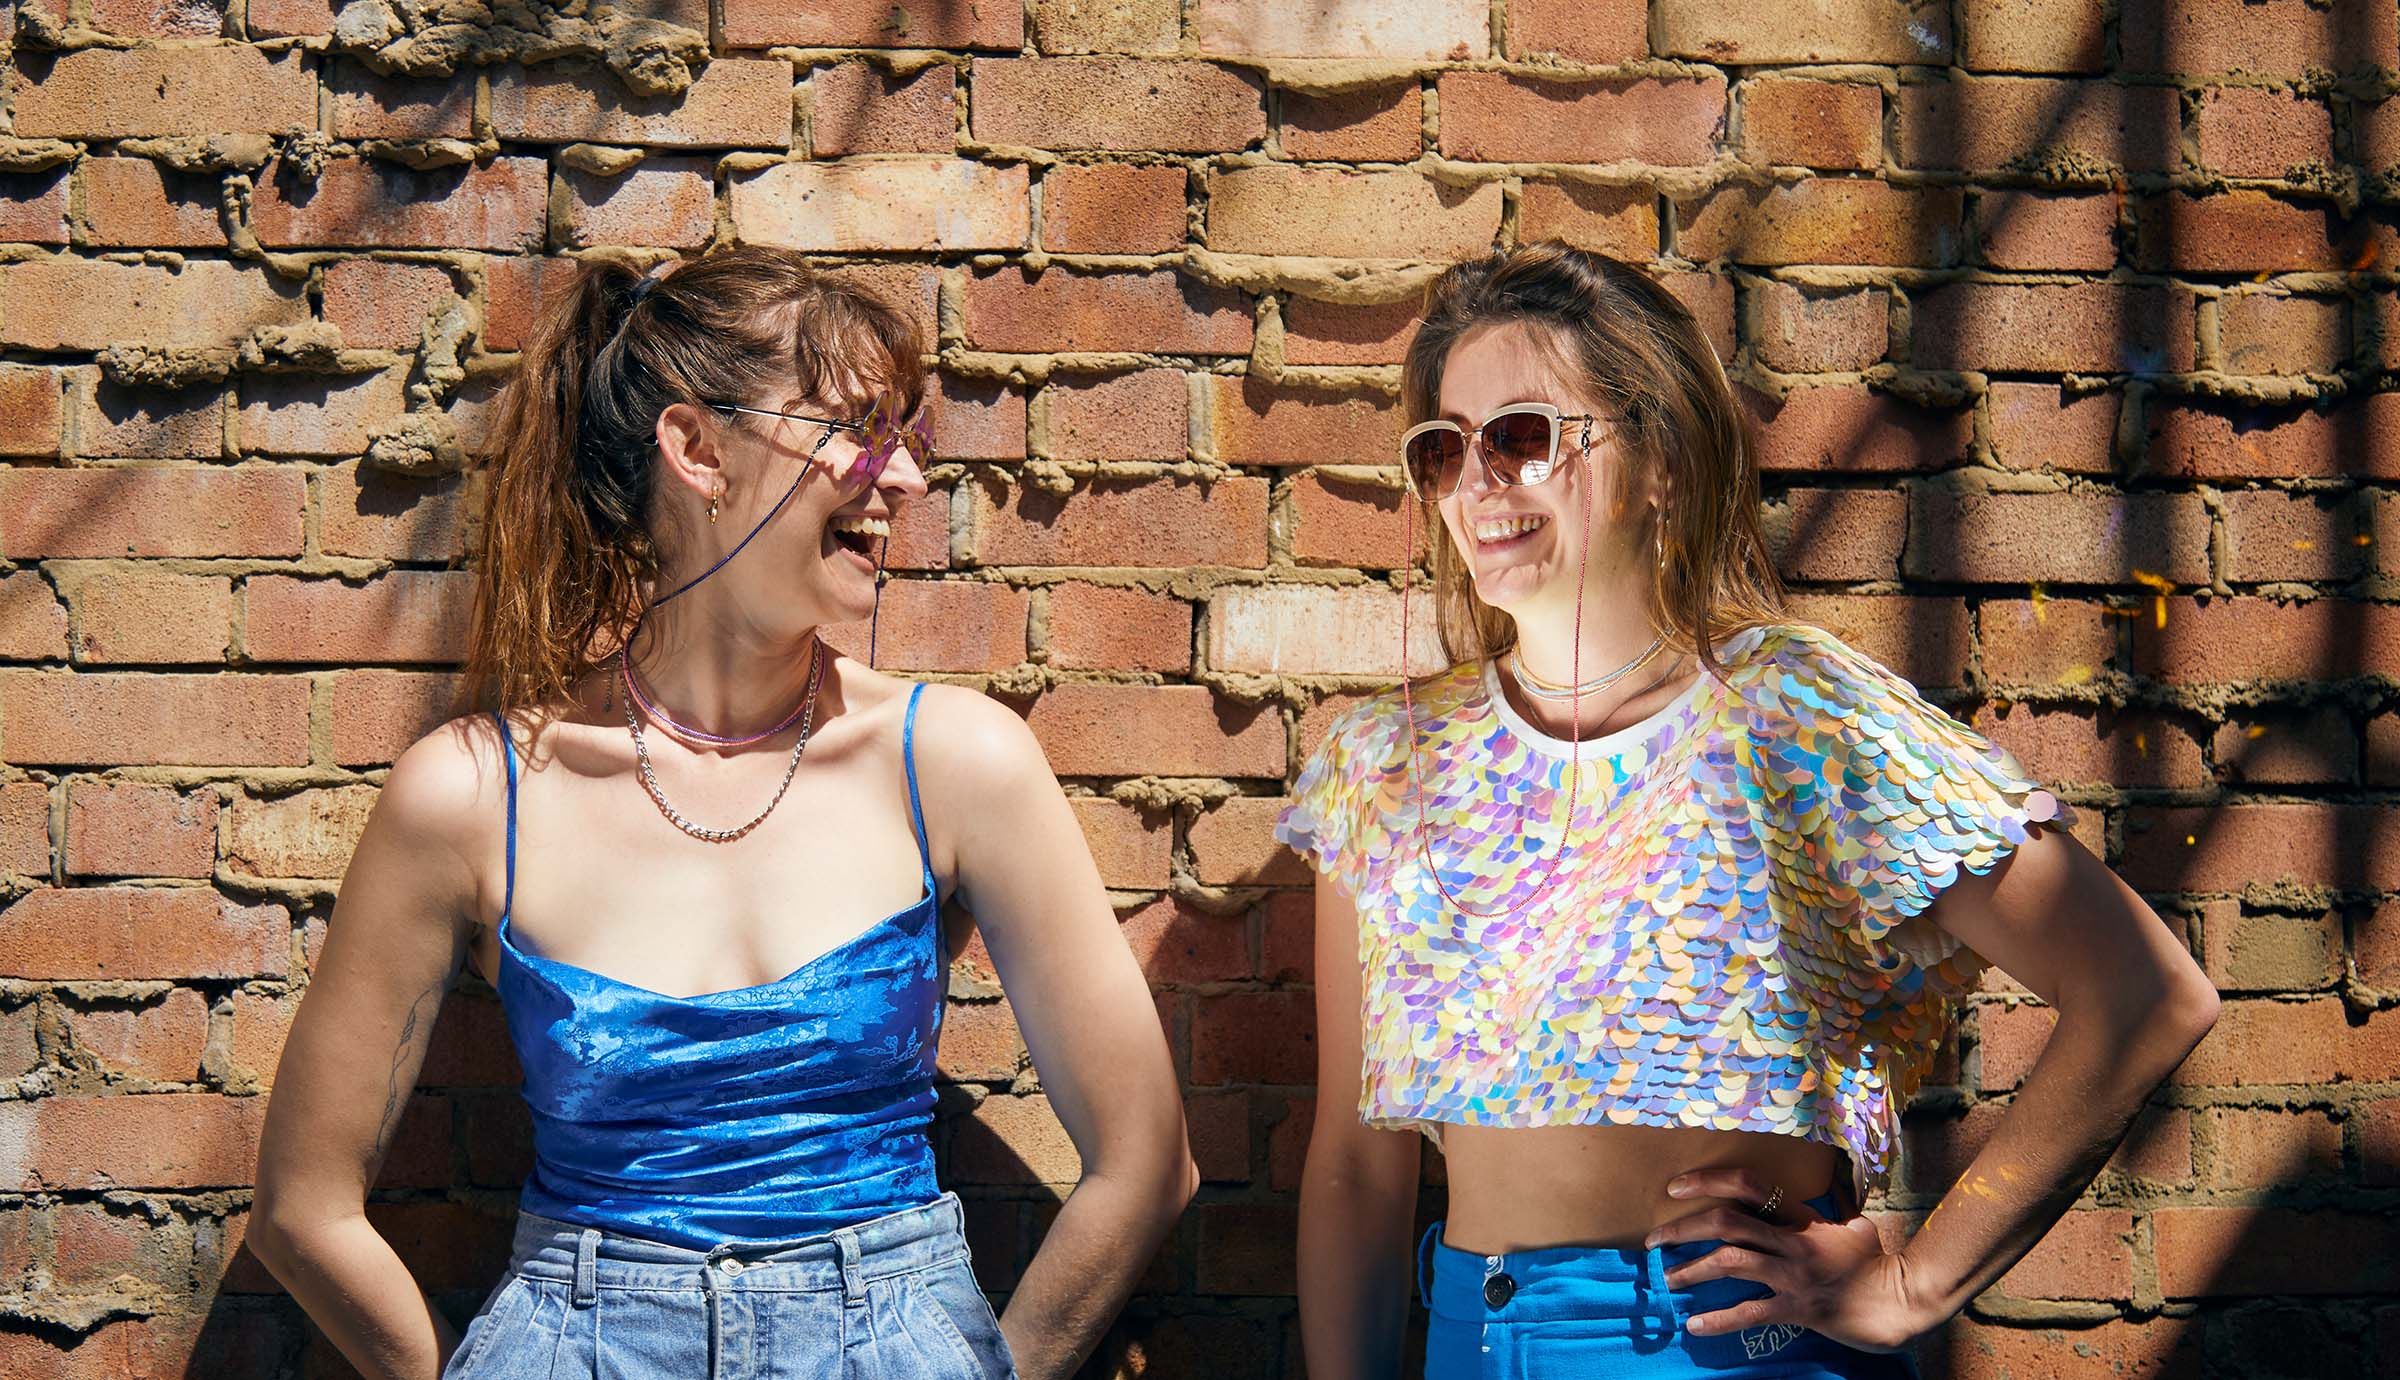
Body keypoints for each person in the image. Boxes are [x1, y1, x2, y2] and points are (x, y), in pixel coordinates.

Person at [250, 246, 1194, 1380]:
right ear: (698, 450)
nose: (901, 480)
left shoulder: (952, 762)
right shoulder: (473, 794)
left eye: (905, 439)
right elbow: (303, 1208)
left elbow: (1146, 1161)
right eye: (854, 428)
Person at [1281, 242, 2219, 1378]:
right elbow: (1355, 1165)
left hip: (1731, 1345)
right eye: (1446, 448)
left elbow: (2145, 993)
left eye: (1524, 436)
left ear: (1662, 458)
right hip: (1477, 1334)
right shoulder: (1383, 761)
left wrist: (1920, 1279)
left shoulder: (1796, 712)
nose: (1481, 481)